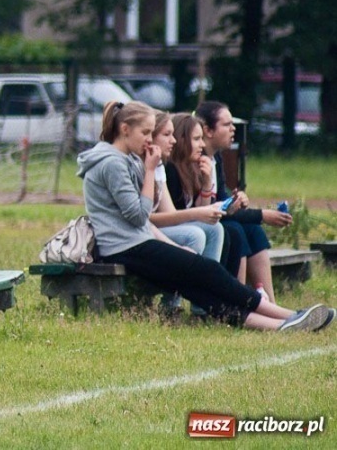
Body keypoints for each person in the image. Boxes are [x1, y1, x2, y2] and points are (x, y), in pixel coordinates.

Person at [77, 100, 332, 332]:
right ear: (124, 129)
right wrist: (149, 172)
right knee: (208, 271)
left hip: (136, 243)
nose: (149, 140)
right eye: (145, 133)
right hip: (123, 247)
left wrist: (173, 246)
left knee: (198, 289)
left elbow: (140, 223)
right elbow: (137, 216)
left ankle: (277, 326)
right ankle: (287, 315)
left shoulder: (125, 159)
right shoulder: (112, 163)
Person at [195, 100, 288, 302]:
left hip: (213, 217)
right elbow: (207, 206)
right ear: (208, 131)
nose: (233, 129)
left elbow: (220, 201)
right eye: (227, 125)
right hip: (198, 221)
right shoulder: (196, 160)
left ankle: (270, 301)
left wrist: (235, 201)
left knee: (253, 229)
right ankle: (240, 300)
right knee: (236, 229)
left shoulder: (215, 158)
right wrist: (263, 215)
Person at [148, 111, 225, 264]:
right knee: (195, 235)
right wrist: (198, 213)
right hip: (144, 233)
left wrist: (207, 183)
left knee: (217, 229)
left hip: (160, 228)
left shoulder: (165, 166)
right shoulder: (169, 168)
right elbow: (146, 219)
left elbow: (172, 213)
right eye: (197, 139)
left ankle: (210, 284)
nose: (173, 141)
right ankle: (189, 286)